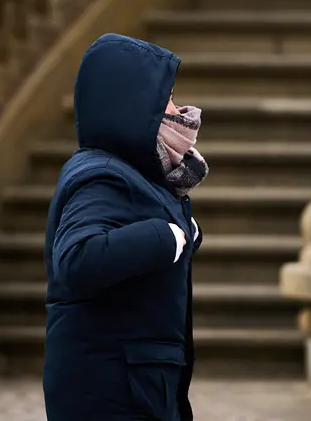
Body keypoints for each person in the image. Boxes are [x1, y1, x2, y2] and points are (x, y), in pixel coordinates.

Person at [42, 33, 207, 421]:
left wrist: (183, 233)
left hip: (137, 384)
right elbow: (79, 259)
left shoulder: (138, 172)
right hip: (112, 390)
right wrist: (167, 236)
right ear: (134, 104)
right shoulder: (102, 174)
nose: (180, 110)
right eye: (167, 99)